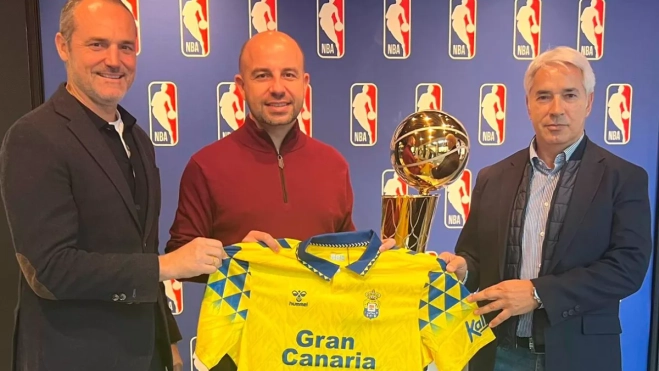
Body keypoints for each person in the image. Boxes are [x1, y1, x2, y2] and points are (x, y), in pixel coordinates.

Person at [0, 1, 232, 370]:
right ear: (63, 46)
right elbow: (49, 269)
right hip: (71, 357)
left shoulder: (138, 138)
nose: (114, 60)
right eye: (97, 44)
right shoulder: (33, 137)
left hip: (146, 354)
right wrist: (164, 267)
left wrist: (167, 337)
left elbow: (141, 250)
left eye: (125, 47)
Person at [164, 30, 395, 371]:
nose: (277, 87)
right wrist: (235, 257)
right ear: (240, 86)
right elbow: (181, 257)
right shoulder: (206, 165)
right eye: (262, 75)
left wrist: (376, 262)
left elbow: (344, 253)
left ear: (304, 83)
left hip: (324, 349)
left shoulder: (334, 165)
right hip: (238, 353)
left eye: (288, 75)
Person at [439, 46, 652, 371]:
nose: (556, 109)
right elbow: (475, 258)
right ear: (527, 104)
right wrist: (461, 269)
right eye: (543, 96)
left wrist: (538, 293)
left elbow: (627, 268)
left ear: (589, 102)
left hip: (581, 356)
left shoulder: (623, 178)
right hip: (498, 355)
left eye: (569, 95)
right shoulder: (492, 177)